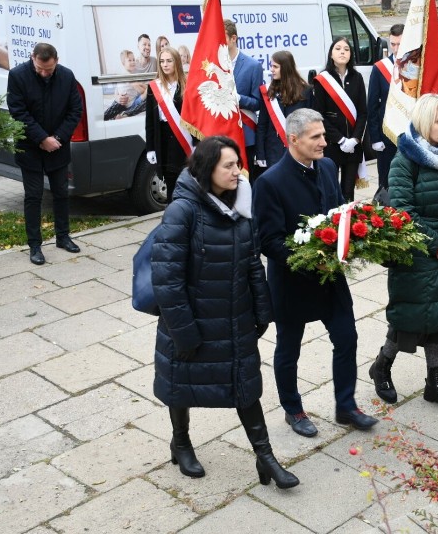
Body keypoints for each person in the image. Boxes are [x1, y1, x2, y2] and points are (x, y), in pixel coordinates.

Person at [151, 135, 298, 489]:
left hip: (235, 320)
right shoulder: (182, 211)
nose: (237, 172)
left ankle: (266, 459)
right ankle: (181, 442)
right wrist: (183, 331)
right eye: (228, 166)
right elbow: (166, 279)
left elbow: (252, 264)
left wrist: (263, 312)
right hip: (191, 321)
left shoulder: (240, 207)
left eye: (238, 164)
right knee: (180, 384)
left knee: (246, 388)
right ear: (207, 170)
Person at [253, 108, 378, 438]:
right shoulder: (269, 183)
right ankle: (293, 409)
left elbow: (338, 211)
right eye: (317, 137)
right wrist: (310, 259)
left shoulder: (326, 166)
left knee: (347, 338)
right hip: (293, 283)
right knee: (288, 349)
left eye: (324, 135)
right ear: (294, 140)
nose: (325, 142)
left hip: (330, 279)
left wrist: (351, 241)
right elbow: (269, 241)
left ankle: (346, 406)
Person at [369, 94, 438, 415]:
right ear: (425, 122)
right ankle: (382, 366)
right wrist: (437, 244)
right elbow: (402, 212)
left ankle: (434, 384)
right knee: (408, 322)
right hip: (415, 254)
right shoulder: (404, 161)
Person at [6, 43, 83, 266]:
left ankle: (63, 236)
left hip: (57, 146)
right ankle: (35, 245)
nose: (43, 72)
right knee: (33, 196)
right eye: (39, 68)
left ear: (56, 61)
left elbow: (75, 110)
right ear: (33, 58)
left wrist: (57, 138)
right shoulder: (18, 76)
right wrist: (42, 138)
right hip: (30, 147)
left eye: (48, 69)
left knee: (61, 192)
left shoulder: (67, 76)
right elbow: (18, 112)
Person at [312, 37, 367, 201]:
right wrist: (341, 140)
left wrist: (355, 139)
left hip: (353, 146)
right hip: (331, 144)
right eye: (338, 48)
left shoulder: (357, 78)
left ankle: (347, 223)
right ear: (331, 54)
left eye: (346, 49)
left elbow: (363, 112)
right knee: (331, 189)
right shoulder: (323, 80)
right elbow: (319, 114)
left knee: (348, 192)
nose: (342, 51)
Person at [145, 46, 191, 202]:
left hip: (183, 139)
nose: (165, 65)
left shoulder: (187, 85)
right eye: (162, 61)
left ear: (177, 62)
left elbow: (194, 118)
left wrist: (197, 143)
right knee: (170, 183)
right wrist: (150, 147)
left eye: (169, 61)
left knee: (186, 181)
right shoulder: (154, 87)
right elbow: (150, 121)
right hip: (163, 139)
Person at [256, 50, 313, 175]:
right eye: (271, 66)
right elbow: (262, 125)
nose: (271, 70)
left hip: (299, 149)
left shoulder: (306, 91)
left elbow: (311, 124)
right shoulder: (268, 91)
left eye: (275, 66)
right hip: (273, 151)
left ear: (286, 67)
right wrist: (260, 154)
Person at [223, 20, 264, 180]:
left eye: (223, 38)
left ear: (233, 38)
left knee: (246, 180)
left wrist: (238, 98)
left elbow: (258, 103)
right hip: (222, 133)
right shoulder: (214, 66)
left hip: (244, 134)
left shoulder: (252, 66)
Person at [368, 23, 404, 190]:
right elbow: (372, 106)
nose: (396, 49)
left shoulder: (417, 68)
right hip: (386, 136)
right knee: (386, 183)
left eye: (400, 44)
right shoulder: (380, 68)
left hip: (410, 134)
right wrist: (375, 138)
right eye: (393, 44)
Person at [103, 50, 147, 121]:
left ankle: (109, 116)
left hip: (123, 102)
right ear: (123, 63)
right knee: (145, 99)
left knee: (112, 109)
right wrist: (144, 90)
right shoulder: (129, 76)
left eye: (133, 60)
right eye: (130, 60)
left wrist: (141, 84)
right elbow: (141, 91)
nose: (133, 62)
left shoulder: (121, 74)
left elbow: (117, 89)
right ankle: (124, 114)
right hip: (130, 103)